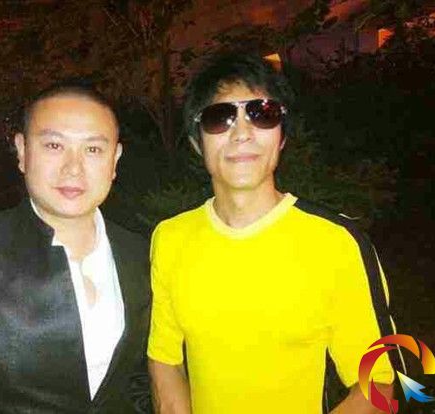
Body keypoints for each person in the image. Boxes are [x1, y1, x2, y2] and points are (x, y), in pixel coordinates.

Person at [147, 52, 401, 413]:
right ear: (196, 142)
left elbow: (378, 385)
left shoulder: (336, 243)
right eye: (220, 118)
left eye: (262, 114)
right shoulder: (170, 238)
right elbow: (164, 359)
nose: (242, 134)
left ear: (282, 136)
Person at [0, 79, 151, 413]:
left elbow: (139, 383)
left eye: (93, 149)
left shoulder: (140, 254)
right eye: (54, 146)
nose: (73, 168)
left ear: (115, 159)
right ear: (22, 151)